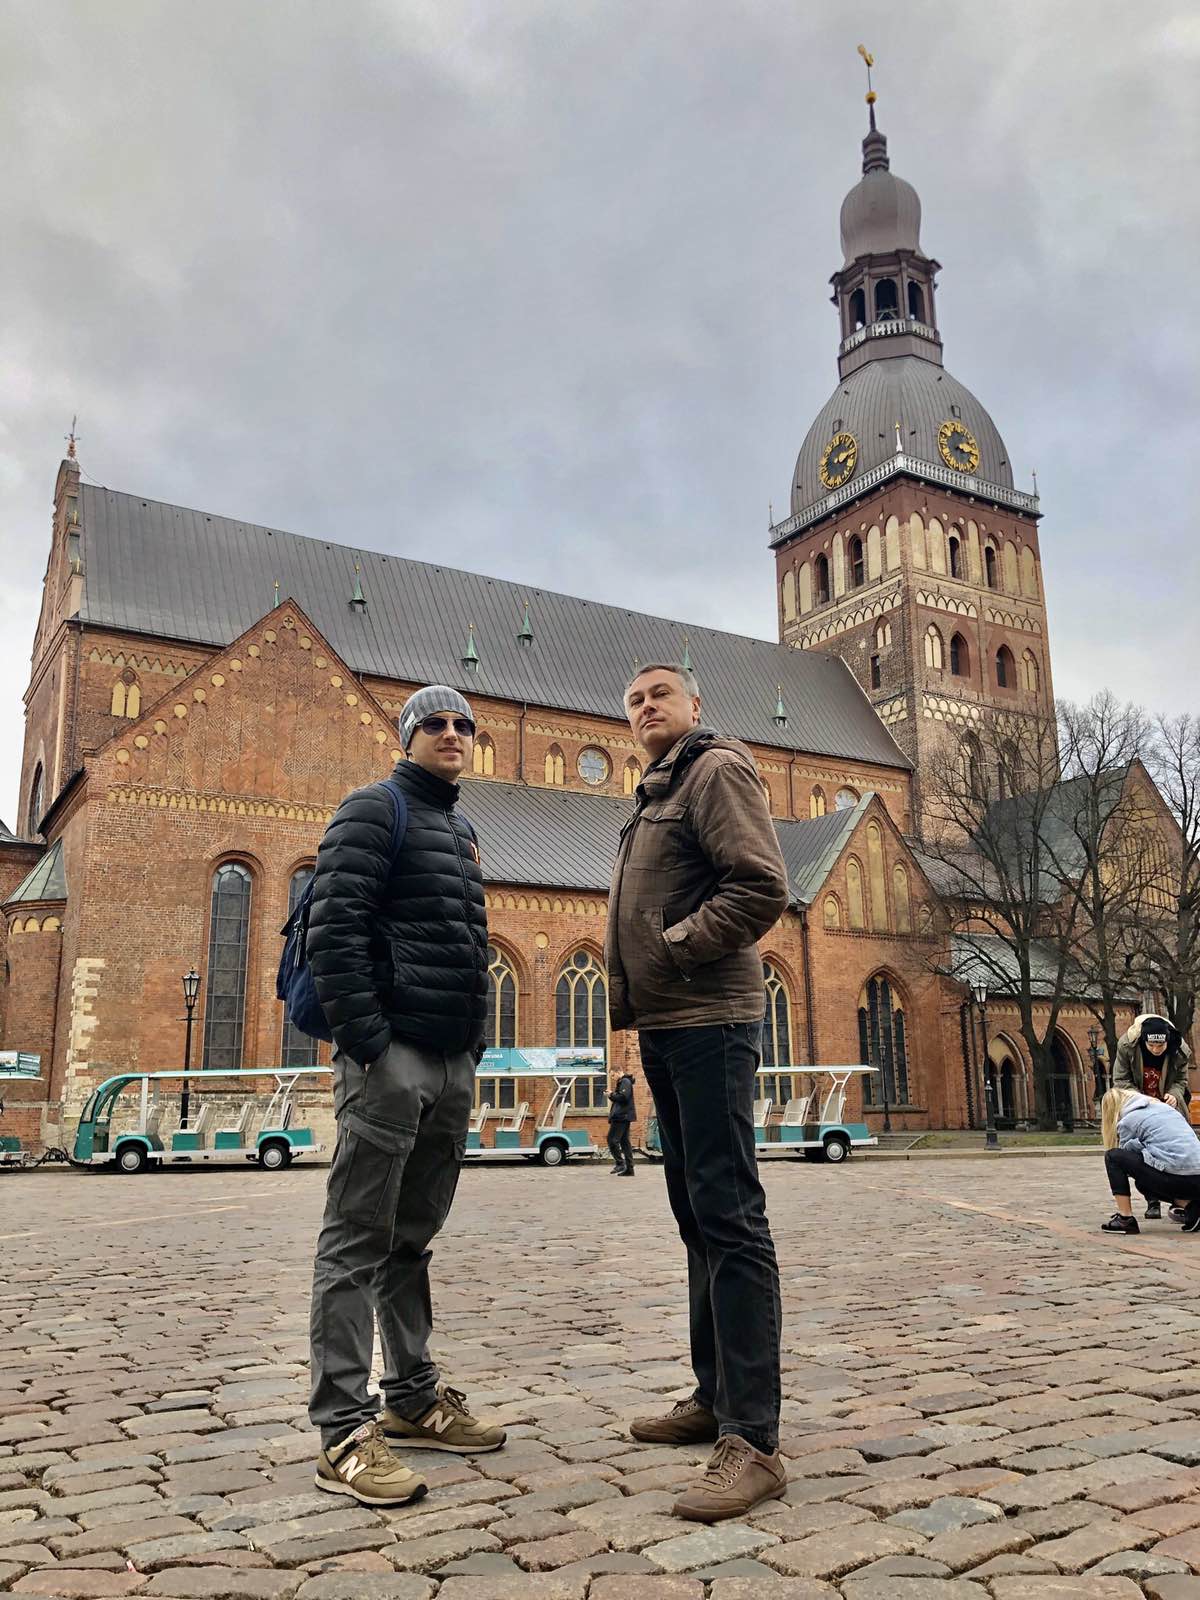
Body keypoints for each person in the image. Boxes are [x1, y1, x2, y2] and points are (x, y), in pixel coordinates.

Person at [306, 685, 506, 1508]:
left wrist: (472, 1047)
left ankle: (414, 1398)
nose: (452, 732)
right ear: (407, 736)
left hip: (450, 1062)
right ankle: (344, 1432)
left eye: (463, 723)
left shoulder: (459, 829)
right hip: (392, 1063)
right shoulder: (372, 808)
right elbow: (334, 933)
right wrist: (373, 1048)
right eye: (435, 723)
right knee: (356, 1241)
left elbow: (470, 943)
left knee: (411, 1241)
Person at [606, 661, 790, 1524]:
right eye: (634, 700)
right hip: (669, 1023)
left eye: (660, 695)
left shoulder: (715, 768)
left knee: (730, 1217)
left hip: (710, 1018)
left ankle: (753, 1440)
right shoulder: (657, 788)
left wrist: (674, 948)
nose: (646, 707)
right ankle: (716, 1397)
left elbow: (760, 885)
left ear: (695, 704)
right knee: (696, 1215)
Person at [1112, 1014, 1194, 1220]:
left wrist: (1174, 1095)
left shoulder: (1180, 1050)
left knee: (1173, 1149)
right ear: (1143, 1040)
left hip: (1168, 1106)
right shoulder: (1127, 1046)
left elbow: (1181, 1080)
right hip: (1138, 1103)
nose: (1156, 1050)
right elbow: (1121, 1080)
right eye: (1151, 1045)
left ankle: (1182, 1200)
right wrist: (1142, 1100)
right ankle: (1152, 1201)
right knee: (1141, 1150)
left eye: (1161, 1046)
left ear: (1168, 1041)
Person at [1100, 1086, 1200, 1234]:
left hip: (1180, 1178)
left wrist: (1137, 1146)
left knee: (1113, 1157)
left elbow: (1125, 1158)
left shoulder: (1128, 1120)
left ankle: (1125, 1219)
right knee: (1143, 1184)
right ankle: (1193, 1208)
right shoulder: (1166, 1109)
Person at [607, 1072, 636, 1176]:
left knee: (612, 1140)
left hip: (621, 1116)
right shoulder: (623, 1082)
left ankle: (620, 1163)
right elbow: (619, 1099)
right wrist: (610, 1095)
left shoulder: (625, 1081)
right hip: (623, 1115)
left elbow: (624, 1097)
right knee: (625, 1142)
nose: (612, 1078)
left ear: (618, 1072)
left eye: (613, 1075)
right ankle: (629, 1168)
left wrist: (611, 1094)